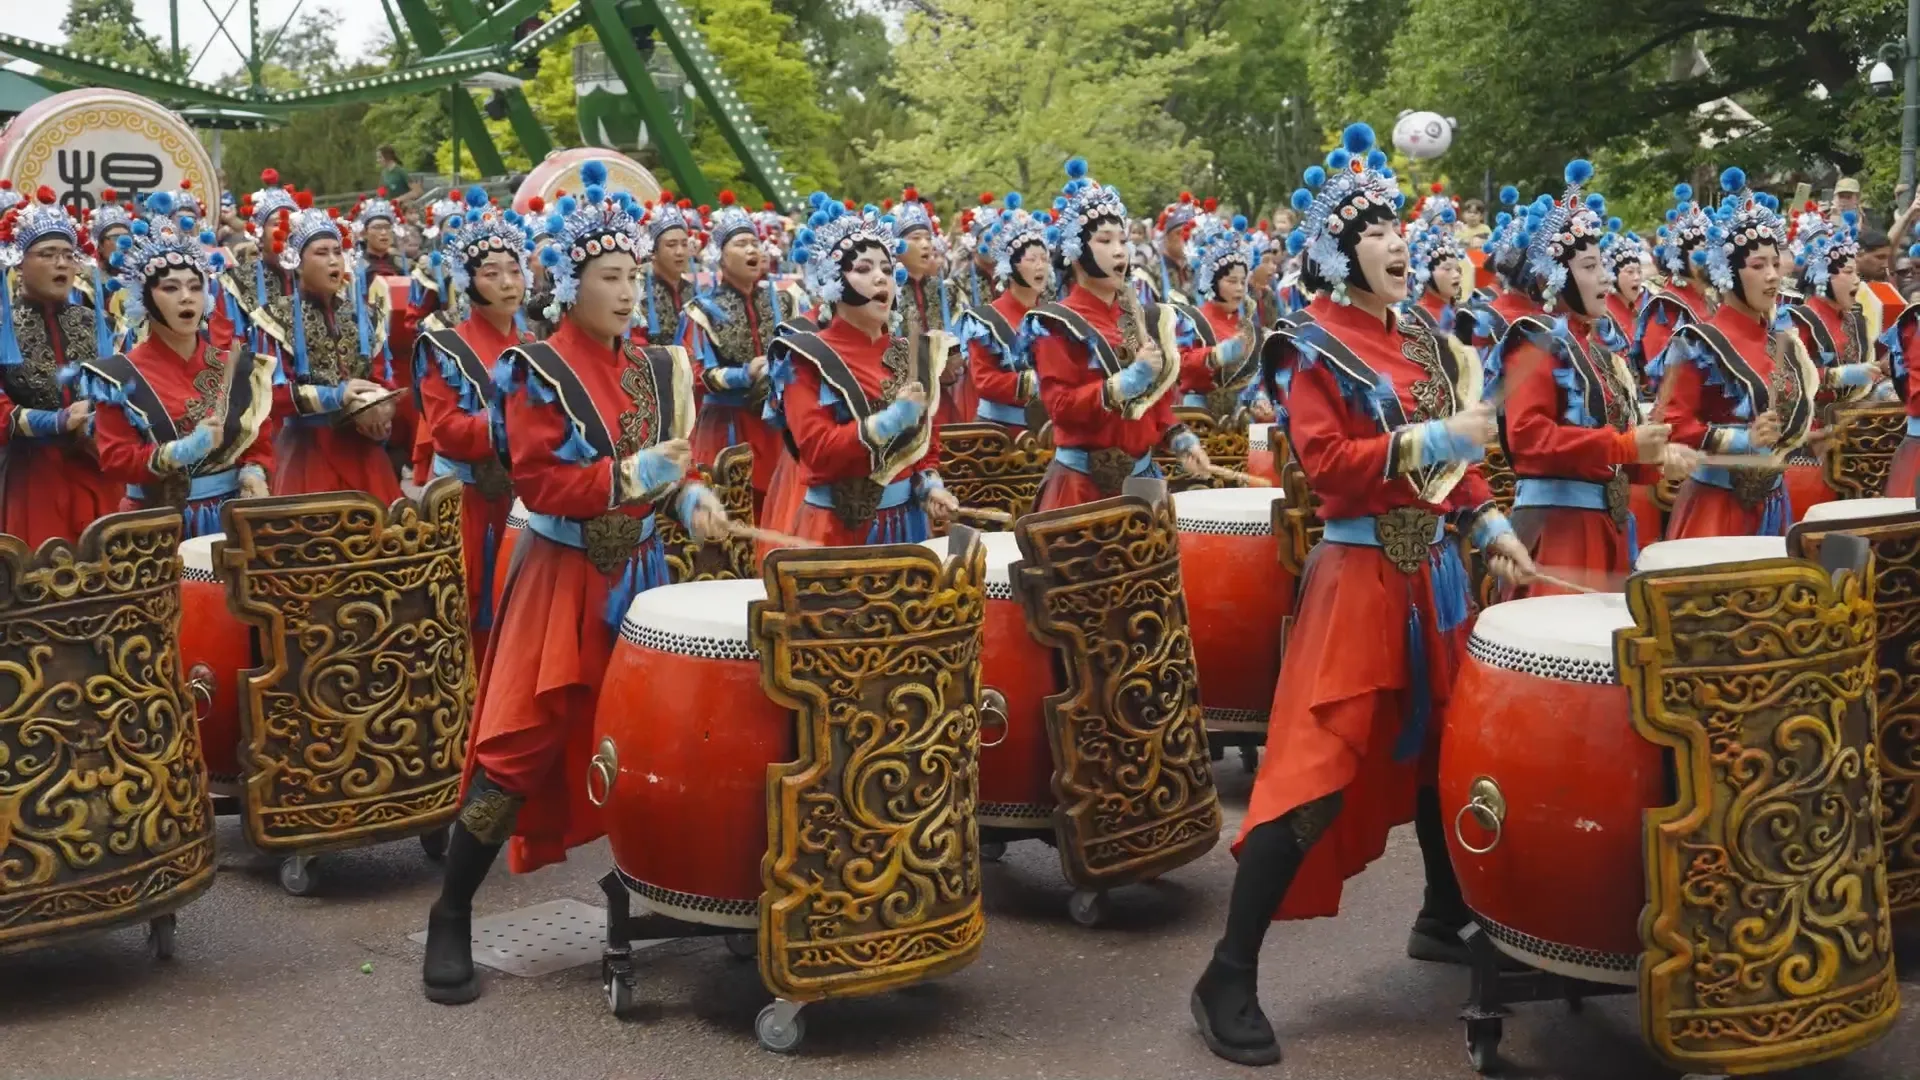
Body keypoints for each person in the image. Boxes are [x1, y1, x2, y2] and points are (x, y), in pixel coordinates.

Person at [1190, 124, 1537, 1068]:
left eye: (1397, 225)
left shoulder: (1419, 334)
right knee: (1312, 773)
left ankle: (1442, 912)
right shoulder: (1308, 346)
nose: (1394, 240)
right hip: (1355, 578)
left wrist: (1491, 526)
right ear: (1340, 251)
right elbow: (1332, 470)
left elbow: (1453, 474)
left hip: (1435, 576)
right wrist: (1445, 445)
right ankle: (1227, 971)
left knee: (1443, 746)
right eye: (1373, 228)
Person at [420, 166, 729, 1005]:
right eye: (611, 278)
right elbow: (540, 484)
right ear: (571, 284)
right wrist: (636, 471)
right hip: (561, 577)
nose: (629, 292)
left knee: (649, 736)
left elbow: (674, 466)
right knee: (516, 748)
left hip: (639, 569)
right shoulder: (536, 367)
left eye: (635, 276)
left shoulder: (658, 367)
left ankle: (662, 891)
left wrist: (691, 494)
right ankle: (452, 913)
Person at [1491, 161, 1682, 596]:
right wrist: (1624, 445)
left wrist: (1658, 455)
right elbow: (1528, 436)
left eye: (1603, 266)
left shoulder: (1595, 349)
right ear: (1555, 277)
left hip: (1602, 527)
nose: (1606, 278)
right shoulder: (1536, 342)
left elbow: (1619, 439)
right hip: (1560, 534)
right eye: (1591, 267)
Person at [766, 192, 958, 544]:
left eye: (887, 269)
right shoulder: (805, 355)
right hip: (838, 532)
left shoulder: (911, 350)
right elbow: (818, 451)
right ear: (834, 282)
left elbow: (922, 446)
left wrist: (930, 486)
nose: (881, 279)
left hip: (909, 526)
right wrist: (888, 421)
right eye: (864, 269)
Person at [80, 190, 274, 536]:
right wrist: (181, 451)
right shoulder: (119, 373)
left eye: (194, 287)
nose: (186, 297)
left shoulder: (234, 362)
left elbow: (256, 440)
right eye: (170, 288)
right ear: (145, 298)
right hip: (157, 524)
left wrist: (253, 474)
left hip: (231, 518)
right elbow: (115, 458)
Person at [1025, 158, 1209, 510]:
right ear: (1077, 253)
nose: (1120, 250)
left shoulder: (1139, 313)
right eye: (1105, 240)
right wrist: (1124, 383)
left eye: (1123, 240)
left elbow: (1152, 402)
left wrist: (1178, 435)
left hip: (1143, 482)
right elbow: (1060, 407)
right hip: (1082, 488)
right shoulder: (1055, 322)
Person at [1654, 169, 1823, 538]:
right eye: (1758, 266)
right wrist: (1741, 439)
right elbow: (1671, 423)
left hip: (1775, 502)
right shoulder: (1698, 341)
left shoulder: (1781, 340)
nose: (1773, 276)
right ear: (1729, 273)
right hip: (1716, 509)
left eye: (1776, 264)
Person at [413, 186, 533, 658]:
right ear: (468, 281)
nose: (508, 282)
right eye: (491, 273)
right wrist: (517, 424)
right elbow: (448, 430)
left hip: (521, 498)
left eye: (513, 270)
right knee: (463, 607)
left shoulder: (532, 343)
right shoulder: (443, 345)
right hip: (463, 504)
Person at [249, 191, 400, 500]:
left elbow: (383, 377)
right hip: (308, 454)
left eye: (337, 251)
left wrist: (382, 414)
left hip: (364, 453)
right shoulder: (273, 319)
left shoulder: (366, 316)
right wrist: (335, 396)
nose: (333, 260)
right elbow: (268, 396)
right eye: (321, 252)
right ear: (298, 262)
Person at [0, 185, 123, 547]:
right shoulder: (4, 325)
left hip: (97, 468)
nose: (62, 264)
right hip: (34, 477)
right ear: (19, 262)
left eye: (69, 255)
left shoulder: (93, 321)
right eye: (48, 254)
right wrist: (54, 420)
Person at [677, 190, 799, 517]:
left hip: (778, 425)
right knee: (737, 513)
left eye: (754, 243)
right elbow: (697, 373)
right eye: (740, 244)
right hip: (728, 427)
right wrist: (745, 373)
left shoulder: (786, 301)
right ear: (720, 255)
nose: (751, 249)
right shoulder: (701, 311)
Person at [1783, 205, 1883, 520]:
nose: (1858, 278)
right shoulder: (1799, 319)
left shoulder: (1854, 318)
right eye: (1849, 272)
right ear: (1825, 276)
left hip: (1854, 430)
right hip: (1812, 438)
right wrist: (1850, 375)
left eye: (1857, 270)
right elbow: (1793, 381)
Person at [951, 194, 1055, 430]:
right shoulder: (985, 320)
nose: (1041, 266)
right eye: (1032, 259)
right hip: (999, 433)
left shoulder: (1052, 316)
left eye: (1044, 258)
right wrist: (1032, 383)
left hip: (1050, 431)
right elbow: (984, 380)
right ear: (1010, 265)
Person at [891, 187, 970, 427]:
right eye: (915, 239)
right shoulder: (886, 294)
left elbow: (962, 340)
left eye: (927, 238)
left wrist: (956, 359)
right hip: (900, 403)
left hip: (943, 400)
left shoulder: (947, 291)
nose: (925, 244)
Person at [1174, 214, 1262, 416]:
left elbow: (1256, 377)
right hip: (1201, 416)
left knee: (1264, 441)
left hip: (1243, 415)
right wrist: (1216, 355)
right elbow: (1180, 364)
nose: (1240, 289)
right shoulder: (1192, 320)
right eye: (1232, 282)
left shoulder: (1248, 326)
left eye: (1242, 282)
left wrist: (1259, 397)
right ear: (1213, 282)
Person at [1637, 184, 1717, 379]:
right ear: (1679, 255)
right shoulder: (1668, 304)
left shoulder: (1709, 299)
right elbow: (1662, 370)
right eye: (1702, 248)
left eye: (1712, 248)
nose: (1709, 256)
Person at [640, 192, 698, 343]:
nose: (680, 252)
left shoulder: (694, 292)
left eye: (684, 244)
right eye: (671, 245)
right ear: (654, 251)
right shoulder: (638, 291)